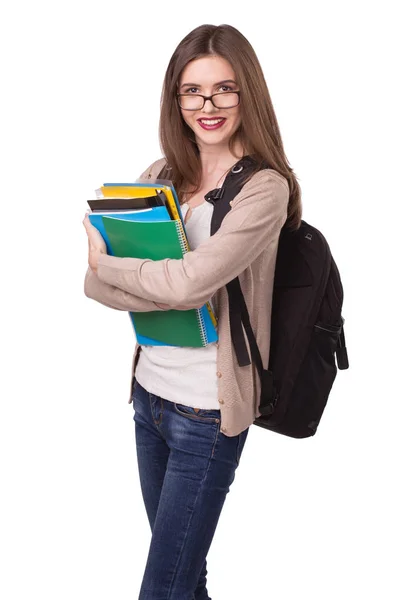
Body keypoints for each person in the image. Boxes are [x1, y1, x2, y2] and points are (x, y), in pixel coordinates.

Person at [83, 23, 302, 600]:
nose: (208, 105)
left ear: (247, 93)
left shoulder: (264, 189)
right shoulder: (160, 176)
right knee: (185, 578)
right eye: (192, 91)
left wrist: (116, 269)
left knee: (163, 586)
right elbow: (93, 285)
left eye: (224, 89)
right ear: (175, 99)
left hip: (207, 414)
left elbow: (187, 284)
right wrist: (128, 277)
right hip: (149, 400)